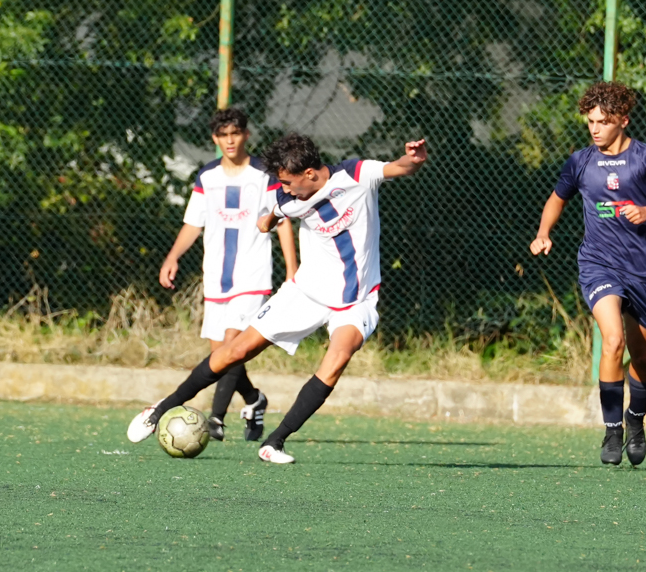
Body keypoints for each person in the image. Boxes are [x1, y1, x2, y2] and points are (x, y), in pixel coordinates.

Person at [129, 133, 428, 463]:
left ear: (309, 173)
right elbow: (271, 215)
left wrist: (412, 160)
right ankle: (160, 409)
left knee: (338, 357)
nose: (283, 188)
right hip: (305, 293)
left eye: (286, 182)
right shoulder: (289, 198)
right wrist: (268, 219)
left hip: (356, 300)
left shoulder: (355, 174)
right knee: (236, 351)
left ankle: (275, 442)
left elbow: (399, 167)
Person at [530, 81, 646, 467]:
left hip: (645, 269)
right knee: (613, 341)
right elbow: (557, 199)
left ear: (623, 120)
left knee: (643, 357)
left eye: (603, 122)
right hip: (599, 264)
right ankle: (612, 430)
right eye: (590, 122)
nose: (595, 129)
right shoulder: (580, 162)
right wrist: (543, 232)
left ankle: (635, 421)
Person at [158, 108, 298, 442]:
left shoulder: (263, 174)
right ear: (215, 139)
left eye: (235, 133)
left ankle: (216, 419)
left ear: (246, 135)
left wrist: (292, 270)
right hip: (216, 278)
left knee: (233, 345)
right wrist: (172, 257)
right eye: (223, 135)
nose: (230, 140)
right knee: (221, 356)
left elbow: (282, 220)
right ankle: (254, 399)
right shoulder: (207, 177)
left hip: (252, 275)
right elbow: (193, 223)